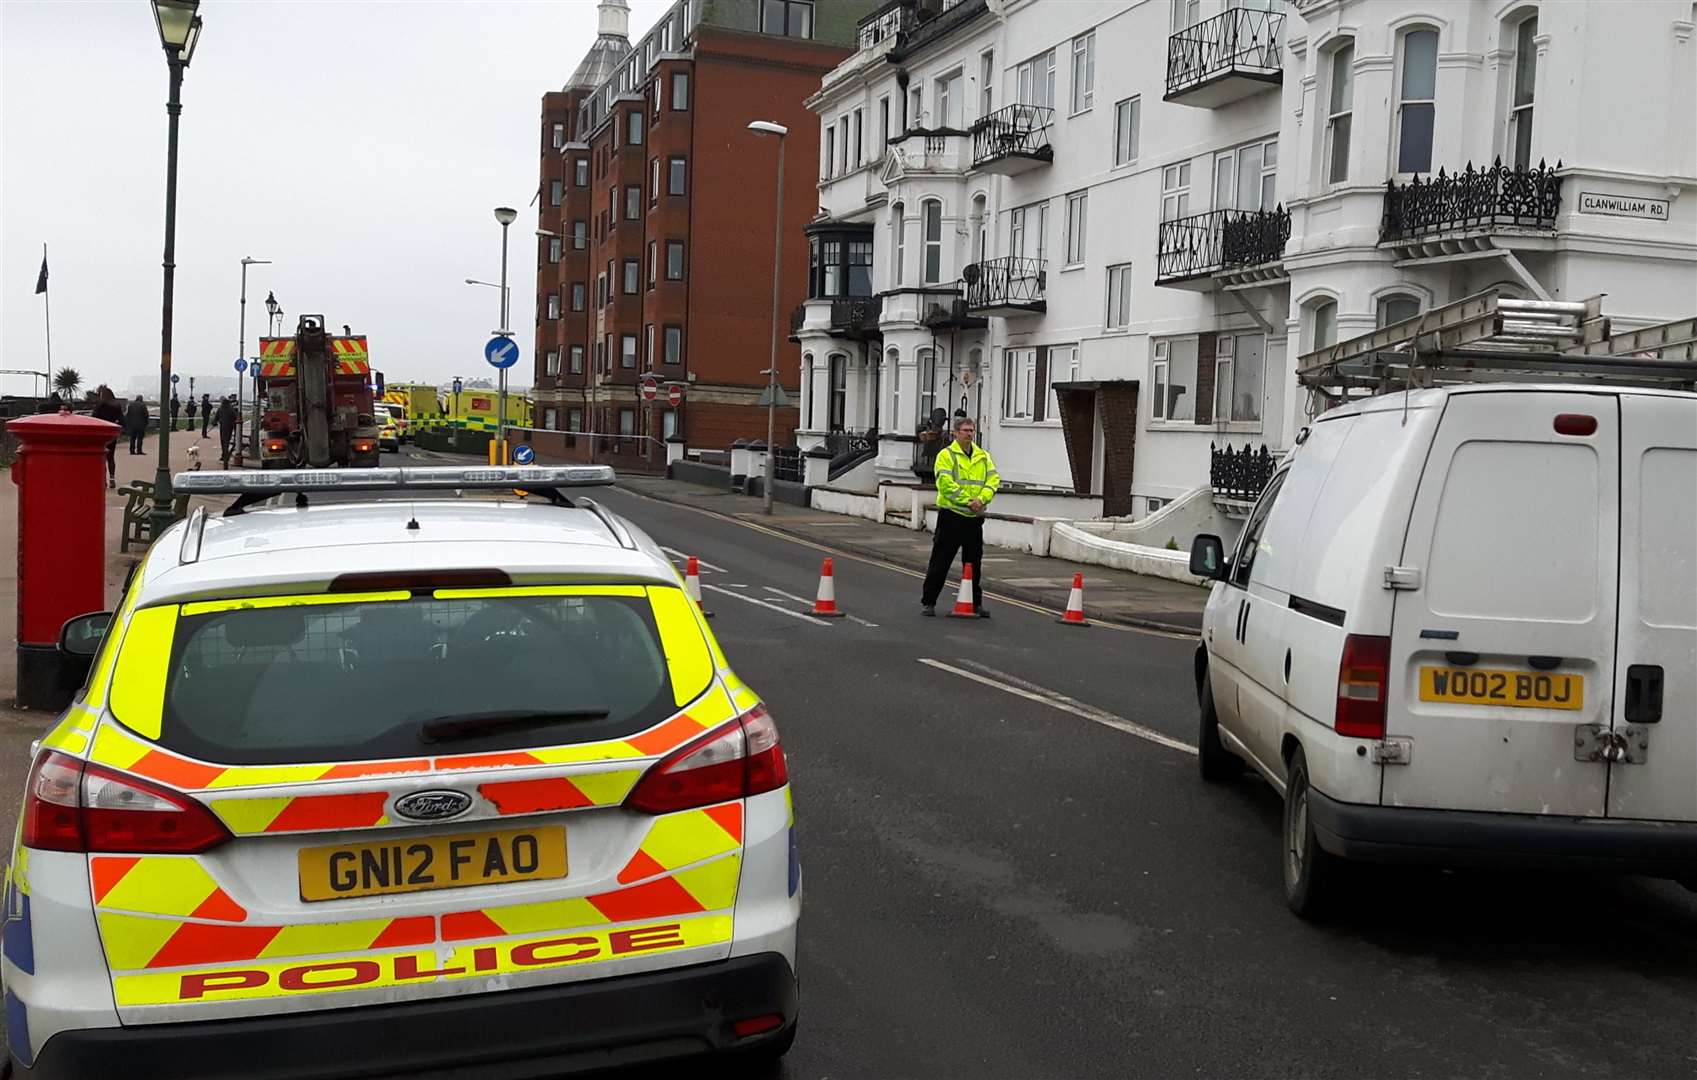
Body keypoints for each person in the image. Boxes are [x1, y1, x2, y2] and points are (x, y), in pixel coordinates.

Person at [920, 417, 1001, 618]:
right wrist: (969, 502)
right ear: (955, 433)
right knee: (941, 560)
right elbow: (945, 484)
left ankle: (975, 603)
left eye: (971, 430)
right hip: (952, 516)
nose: (969, 434)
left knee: (973, 563)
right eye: (965, 430)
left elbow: (993, 480)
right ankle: (929, 602)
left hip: (974, 518)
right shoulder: (946, 455)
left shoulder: (983, 456)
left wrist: (981, 500)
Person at [90, 386, 124, 489]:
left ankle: (103, 480)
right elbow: (122, 420)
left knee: (102, 457)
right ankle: (112, 479)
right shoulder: (117, 406)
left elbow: (93, 418)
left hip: (101, 434)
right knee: (111, 457)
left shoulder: (100, 406)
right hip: (112, 434)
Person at [216, 396, 238, 467]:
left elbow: (216, 417)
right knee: (227, 441)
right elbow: (235, 418)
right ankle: (226, 455)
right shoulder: (231, 409)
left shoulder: (220, 409)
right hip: (230, 428)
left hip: (223, 428)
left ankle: (224, 455)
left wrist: (214, 422)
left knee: (223, 442)